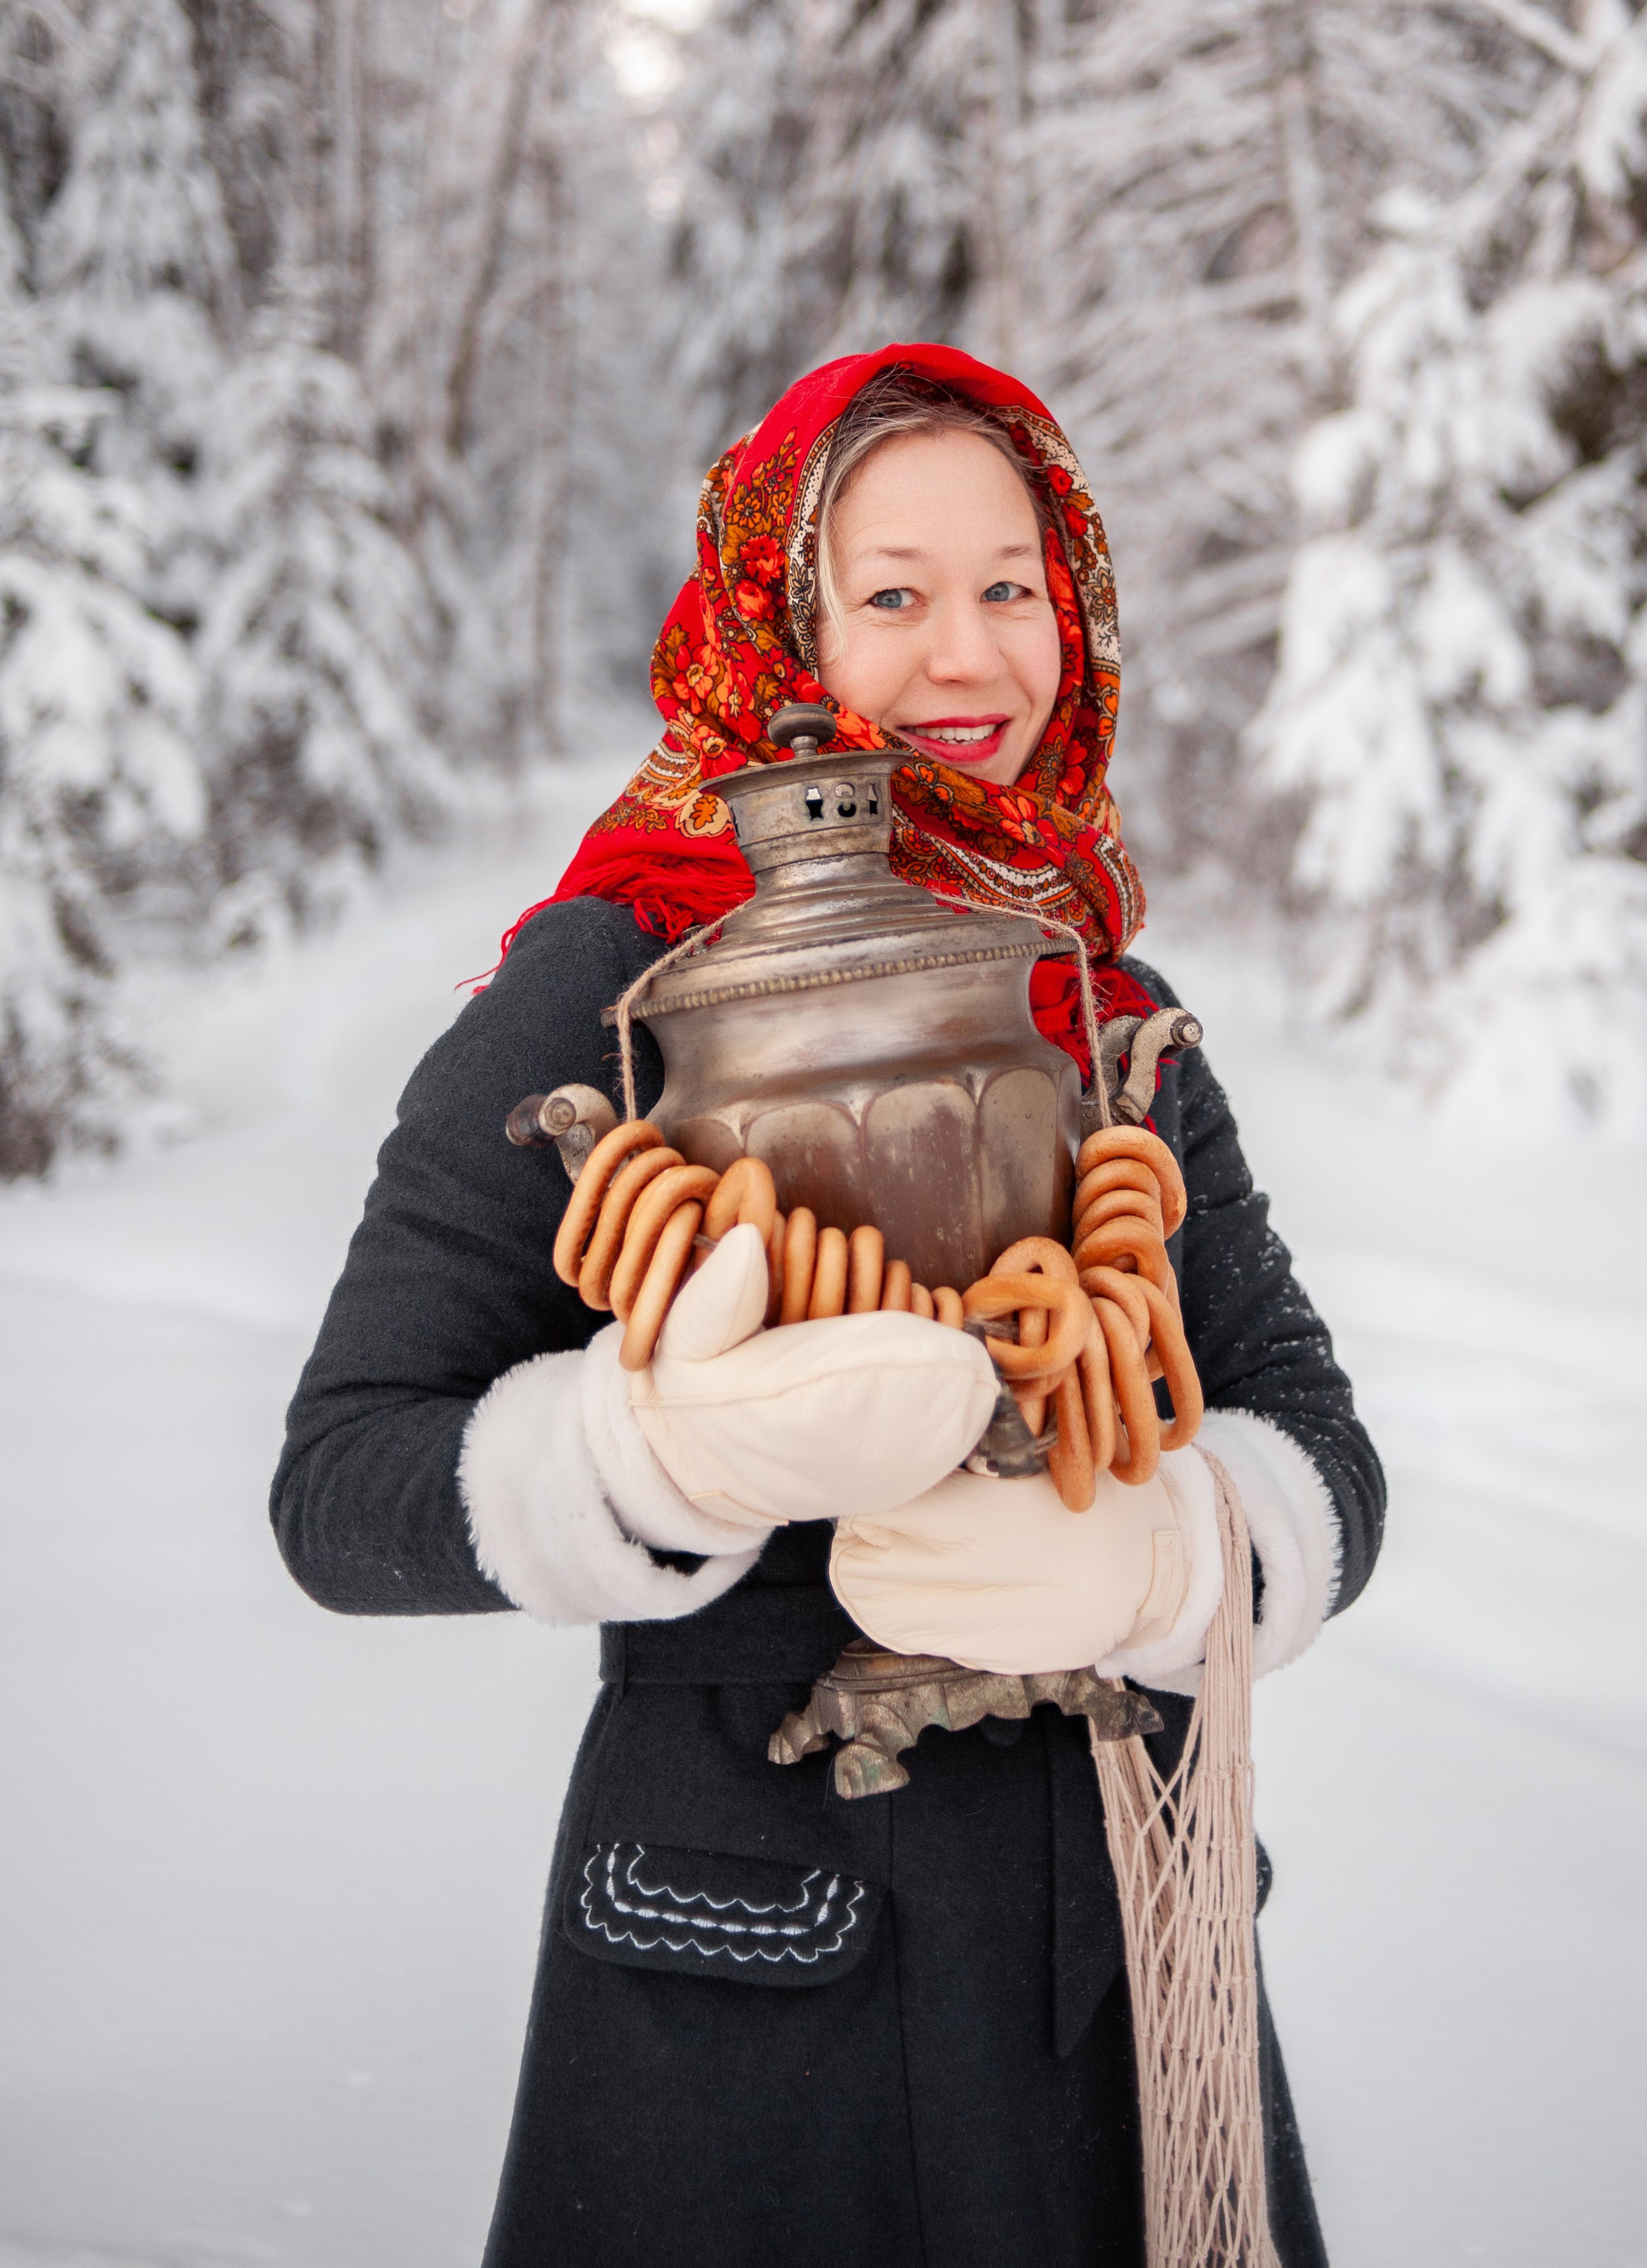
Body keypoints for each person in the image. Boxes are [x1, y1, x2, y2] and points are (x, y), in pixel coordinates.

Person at [271, 343, 1385, 2268]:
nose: (971, 655)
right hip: (746, 1995)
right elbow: (340, 1480)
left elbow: (1320, 1438)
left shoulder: (1096, 992)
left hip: (1117, 1977)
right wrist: (650, 1455)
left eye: (1012, 586)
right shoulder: (624, 972)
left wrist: (1174, 1556)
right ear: (783, 618)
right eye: (894, 593)